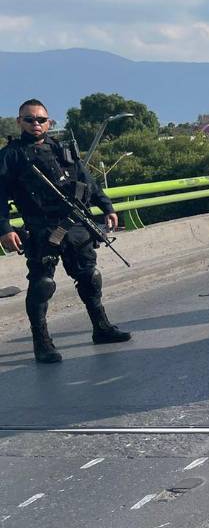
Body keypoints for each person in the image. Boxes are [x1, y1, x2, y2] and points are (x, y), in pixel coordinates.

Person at [0, 99, 131, 364]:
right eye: (29, 119)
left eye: (41, 120)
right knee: (42, 284)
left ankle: (101, 328)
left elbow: (87, 181)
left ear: (49, 122)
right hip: (41, 228)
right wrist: (4, 228)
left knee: (90, 277)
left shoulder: (62, 149)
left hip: (74, 224)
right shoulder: (10, 155)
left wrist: (107, 207)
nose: (36, 124)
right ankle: (42, 342)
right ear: (19, 122)